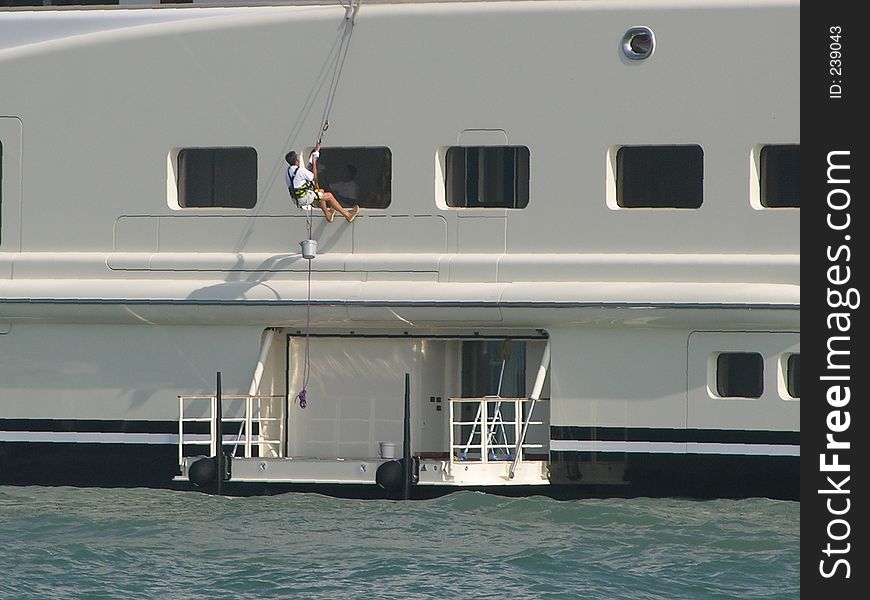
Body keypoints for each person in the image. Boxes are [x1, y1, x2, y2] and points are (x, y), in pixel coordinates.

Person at [285, 145, 358, 222]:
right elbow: (314, 177)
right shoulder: (300, 171)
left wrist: (314, 155)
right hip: (304, 198)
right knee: (329, 196)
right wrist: (315, 162)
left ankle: (328, 215)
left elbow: (303, 173)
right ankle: (347, 215)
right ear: (297, 161)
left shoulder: (288, 172)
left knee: (321, 192)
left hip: (296, 199)